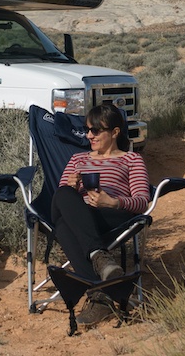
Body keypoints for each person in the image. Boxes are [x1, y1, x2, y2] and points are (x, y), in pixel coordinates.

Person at [50, 104, 151, 328]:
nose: (89, 136)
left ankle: (99, 294)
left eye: (96, 131)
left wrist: (114, 202)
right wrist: (71, 185)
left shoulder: (131, 160)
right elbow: (61, 196)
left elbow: (142, 201)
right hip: (80, 214)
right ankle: (100, 259)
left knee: (63, 226)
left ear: (115, 132)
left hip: (111, 216)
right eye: (87, 130)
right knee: (64, 195)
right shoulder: (78, 159)